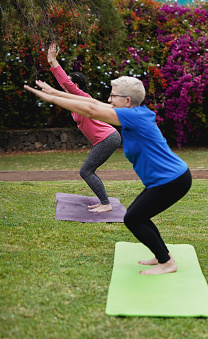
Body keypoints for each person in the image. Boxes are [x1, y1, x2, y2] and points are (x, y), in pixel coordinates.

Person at [25, 77, 192, 275]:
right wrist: (55, 92)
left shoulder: (133, 117)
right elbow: (92, 103)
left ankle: (166, 263)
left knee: (133, 218)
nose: (109, 99)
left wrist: (52, 99)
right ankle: (161, 255)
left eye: (113, 95)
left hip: (172, 180)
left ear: (127, 101)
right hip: (167, 179)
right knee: (139, 215)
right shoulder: (134, 113)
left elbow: (90, 111)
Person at [46, 42, 121, 213]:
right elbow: (63, 83)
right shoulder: (75, 102)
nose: (65, 88)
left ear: (76, 86)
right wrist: (52, 65)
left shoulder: (82, 97)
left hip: (107, 138)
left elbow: (65, 82)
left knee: (86, 171)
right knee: (87, 171)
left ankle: (105, 203)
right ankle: (104, 202)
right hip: (105, 139)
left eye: (70, 85)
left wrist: (54, 62)